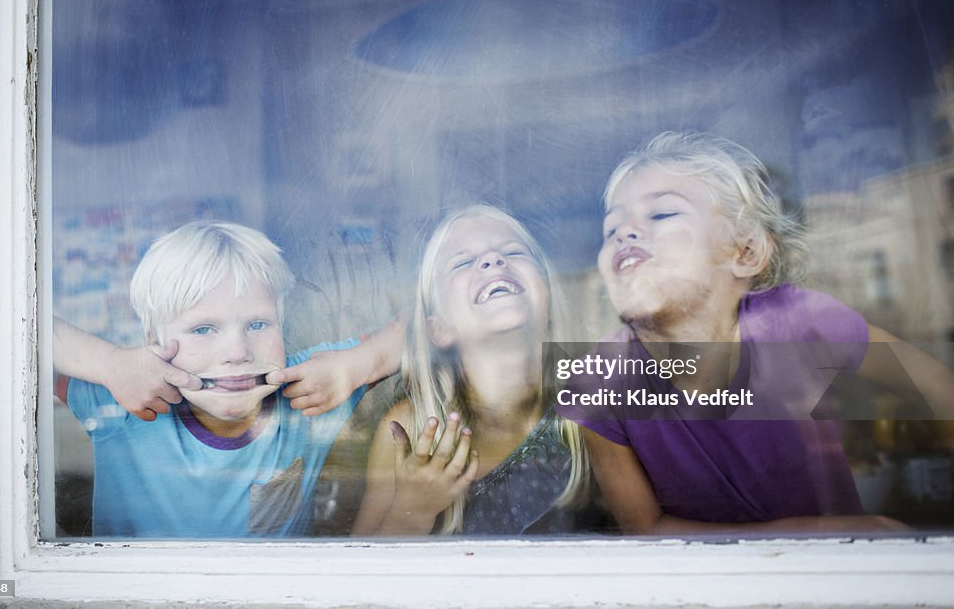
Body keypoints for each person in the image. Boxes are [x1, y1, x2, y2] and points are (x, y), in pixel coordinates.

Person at [562, 131, 954, 535]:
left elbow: (938, 387)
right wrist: (819, 532)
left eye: (662, 215)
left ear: (745, 253)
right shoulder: (600, 378)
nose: (625, 233)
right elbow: (646, 529)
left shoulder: (799, 321)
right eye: (611, 229)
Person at [54, 221, 402, 538]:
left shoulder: (308, 387)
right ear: (152, 342)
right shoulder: (123, 399)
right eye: (203, 329)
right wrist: (109, 363)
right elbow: (15, 331)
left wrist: (359, 364)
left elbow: (431, 329)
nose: (237, 352)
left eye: (257, 324)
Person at [352, 205, 592, 535]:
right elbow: (361, 572)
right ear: (439, 329)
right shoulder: (410, 428)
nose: (493, 260)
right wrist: (413, 509)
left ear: (547, 295)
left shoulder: (595, 407)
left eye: (513, 251)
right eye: (463, 262)